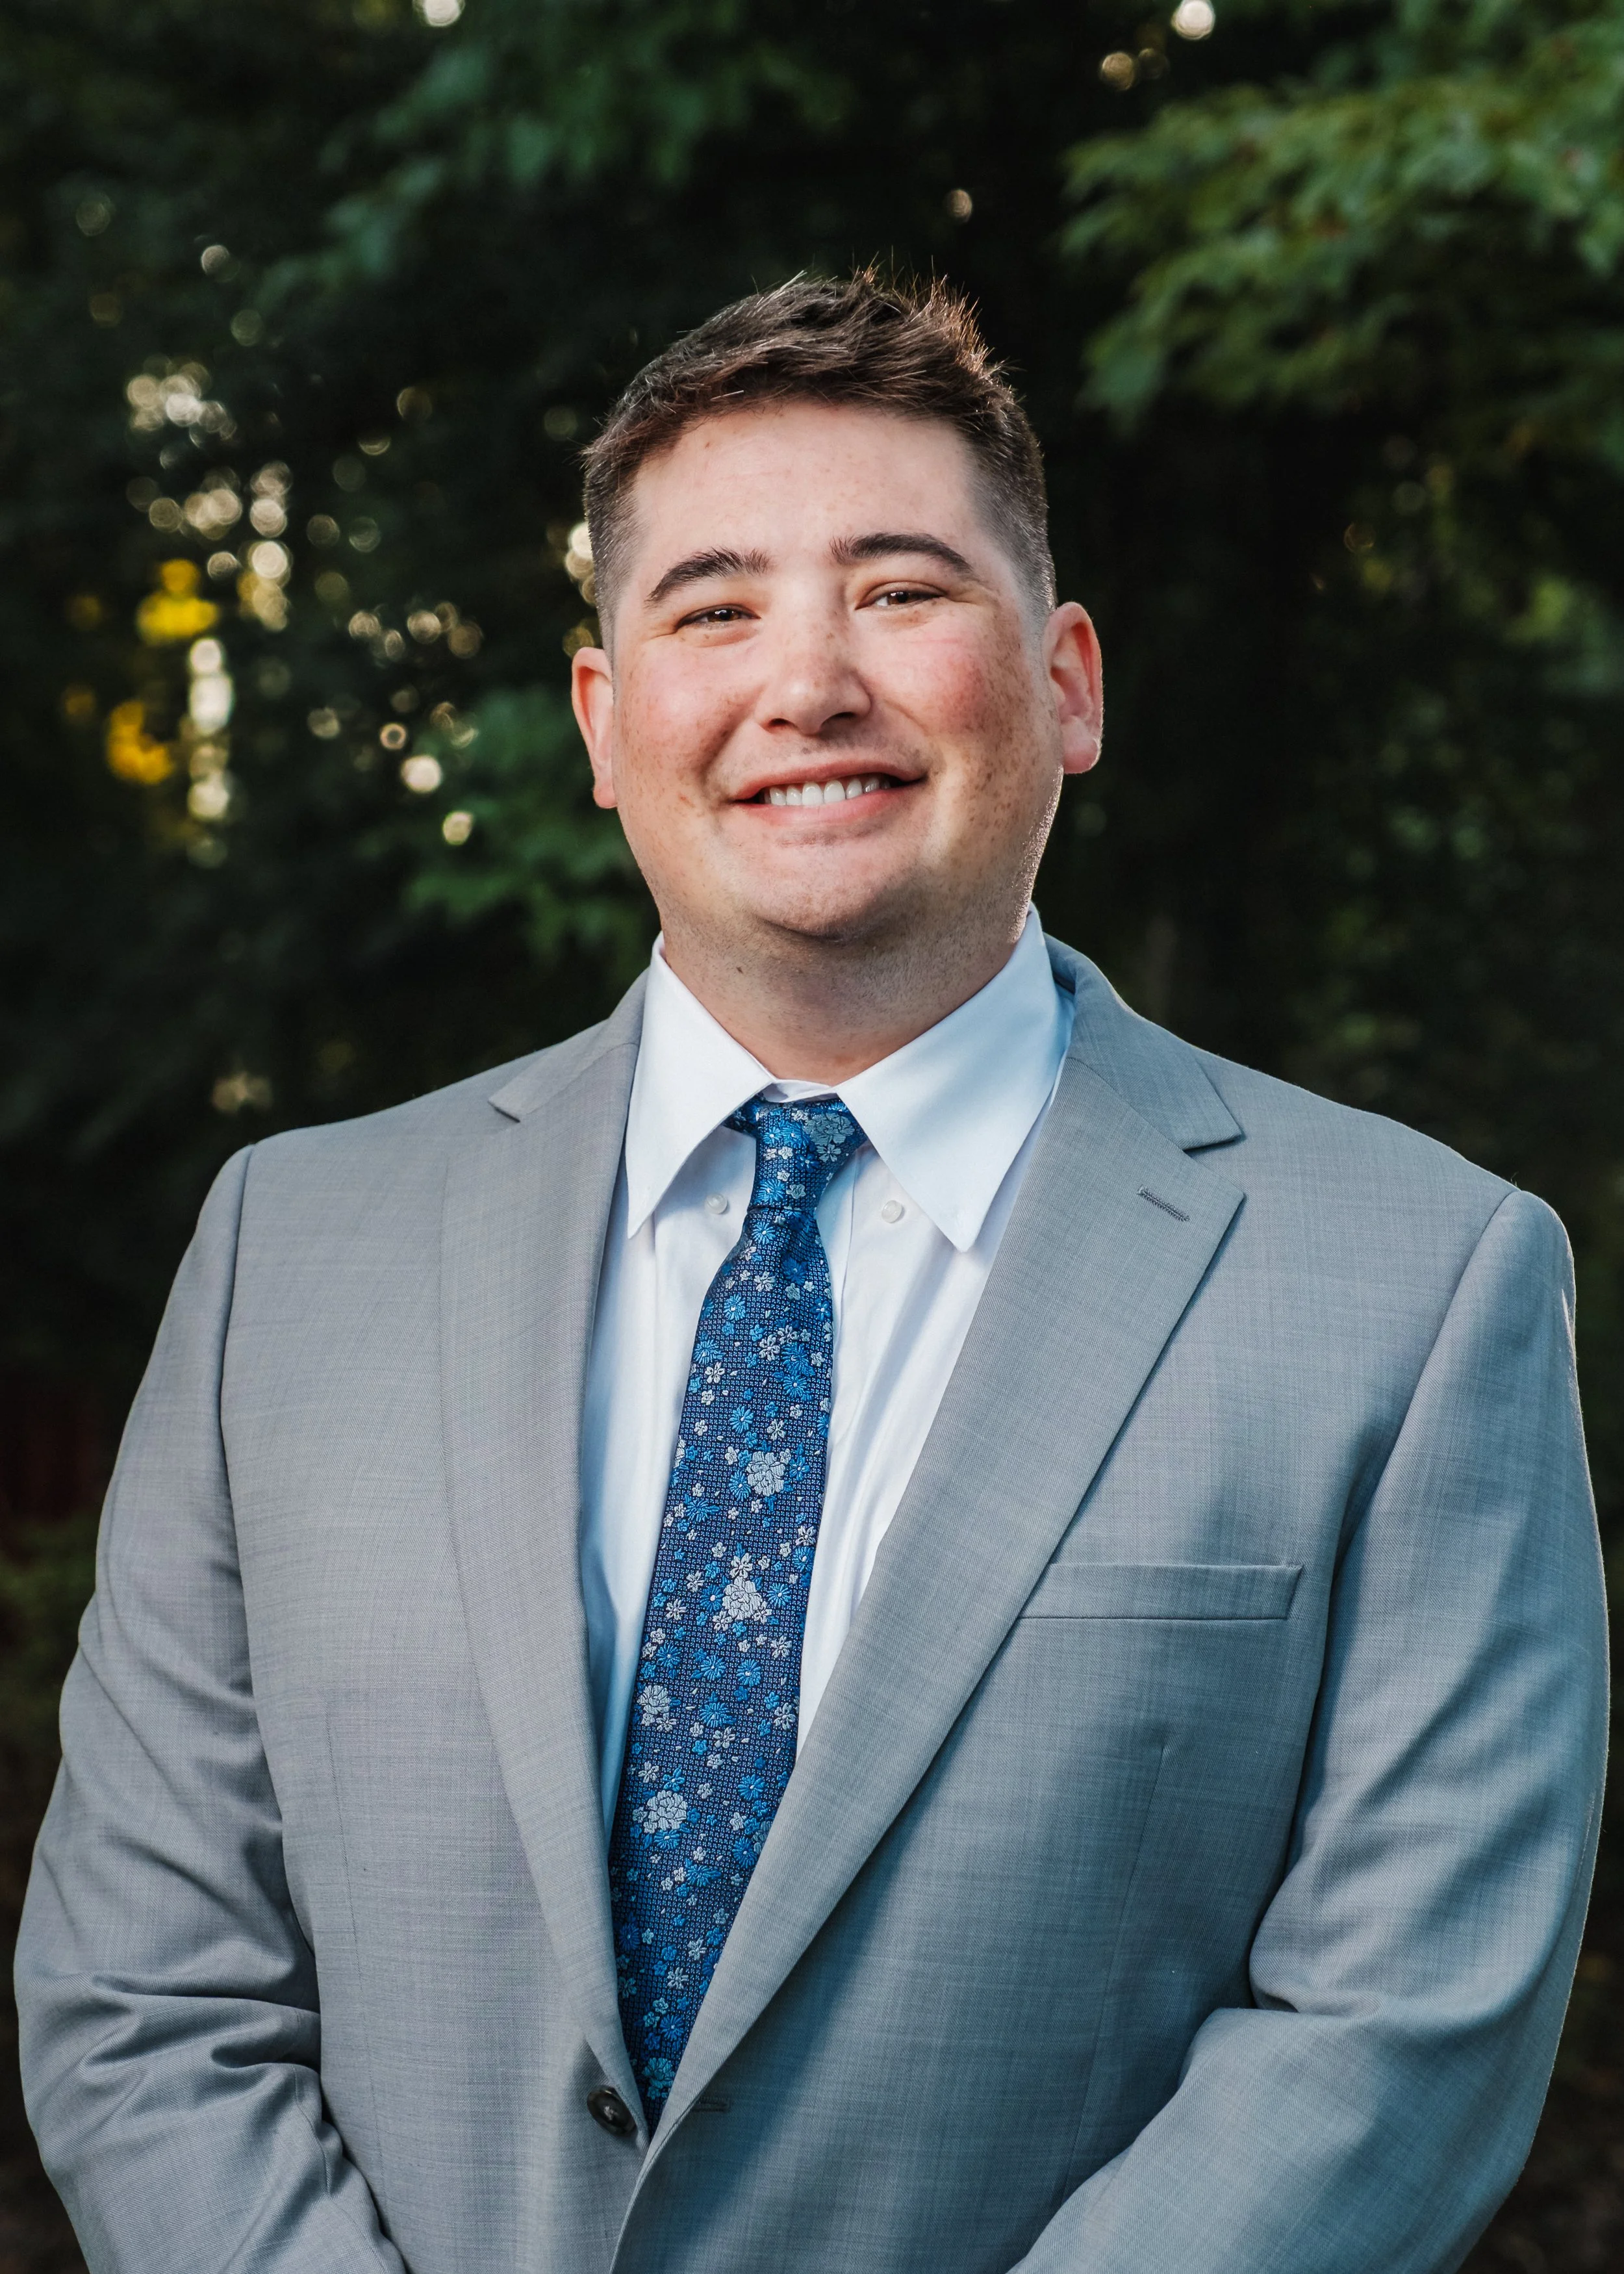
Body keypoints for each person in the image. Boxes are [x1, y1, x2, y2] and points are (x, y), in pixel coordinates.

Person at [16, 273, 1607, 2274]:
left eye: (899, 589)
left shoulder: (1414, 1280)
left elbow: (1397, 2028)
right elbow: (147, 1993)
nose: (807, 682)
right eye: (711, 609)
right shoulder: (290, 1254)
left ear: (1068, 684)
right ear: (604, 724)